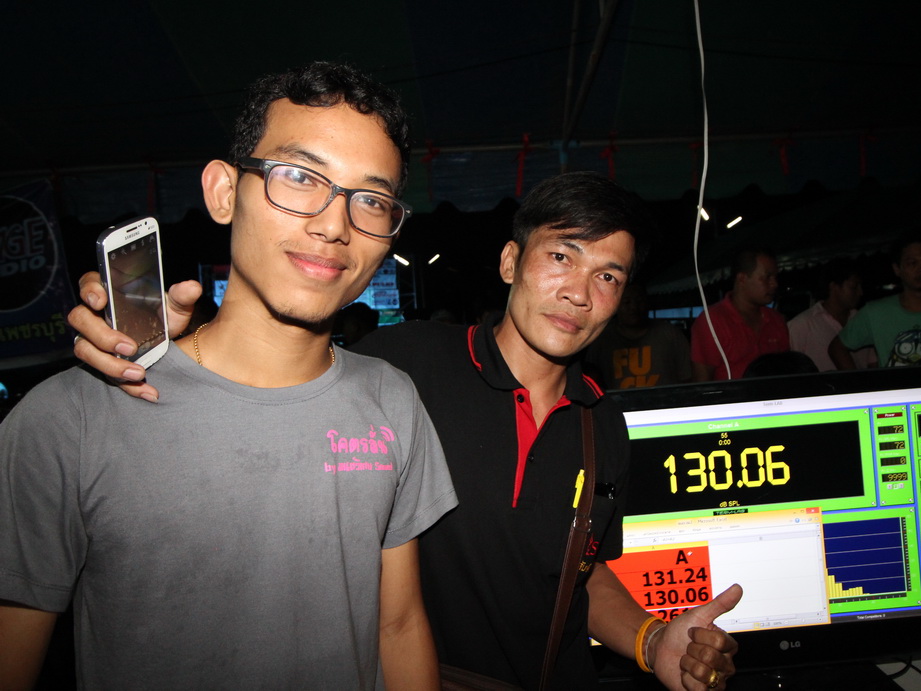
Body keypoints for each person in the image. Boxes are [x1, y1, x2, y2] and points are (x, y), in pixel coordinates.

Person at [69, 172, 742, 690]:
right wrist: (173, 353)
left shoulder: (603, 424)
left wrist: (653, 641)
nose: (579, 292)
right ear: (510, 262)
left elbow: (580, 574)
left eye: (607, 275)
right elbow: (271, 385)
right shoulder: (403, 367)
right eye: (561, 257)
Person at [1, 61, 457, 690]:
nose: (333, 226)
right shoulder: (70, 417)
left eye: (371, 201)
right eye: (299, 177)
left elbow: (398, 626)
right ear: (223, 192)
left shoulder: (392, 400)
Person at [829, 236, 921, 369]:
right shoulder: (875, 313)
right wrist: (859, 382)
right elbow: (837, 347)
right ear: (897, 269)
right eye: (912, 263)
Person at [690, 246, 789, 381]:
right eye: (767, 277)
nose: (774, 284)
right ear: (742, 278)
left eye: (775, 277)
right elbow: (702, 382)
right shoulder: (712, 322)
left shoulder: (776, 320)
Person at [583, 282, 693, 389]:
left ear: (648, 303)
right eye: (627, 302)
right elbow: (590, 382)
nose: (633, 307)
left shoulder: (670, 335)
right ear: (616, 305)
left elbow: (688, 379)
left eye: (639, 301)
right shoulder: (602, 339)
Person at [787, 258, 875, 371]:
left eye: (860, 287)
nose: (860, 292)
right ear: (833, 286)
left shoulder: (863, 320)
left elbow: (873, 363)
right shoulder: (801, 325)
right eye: (853, 287)